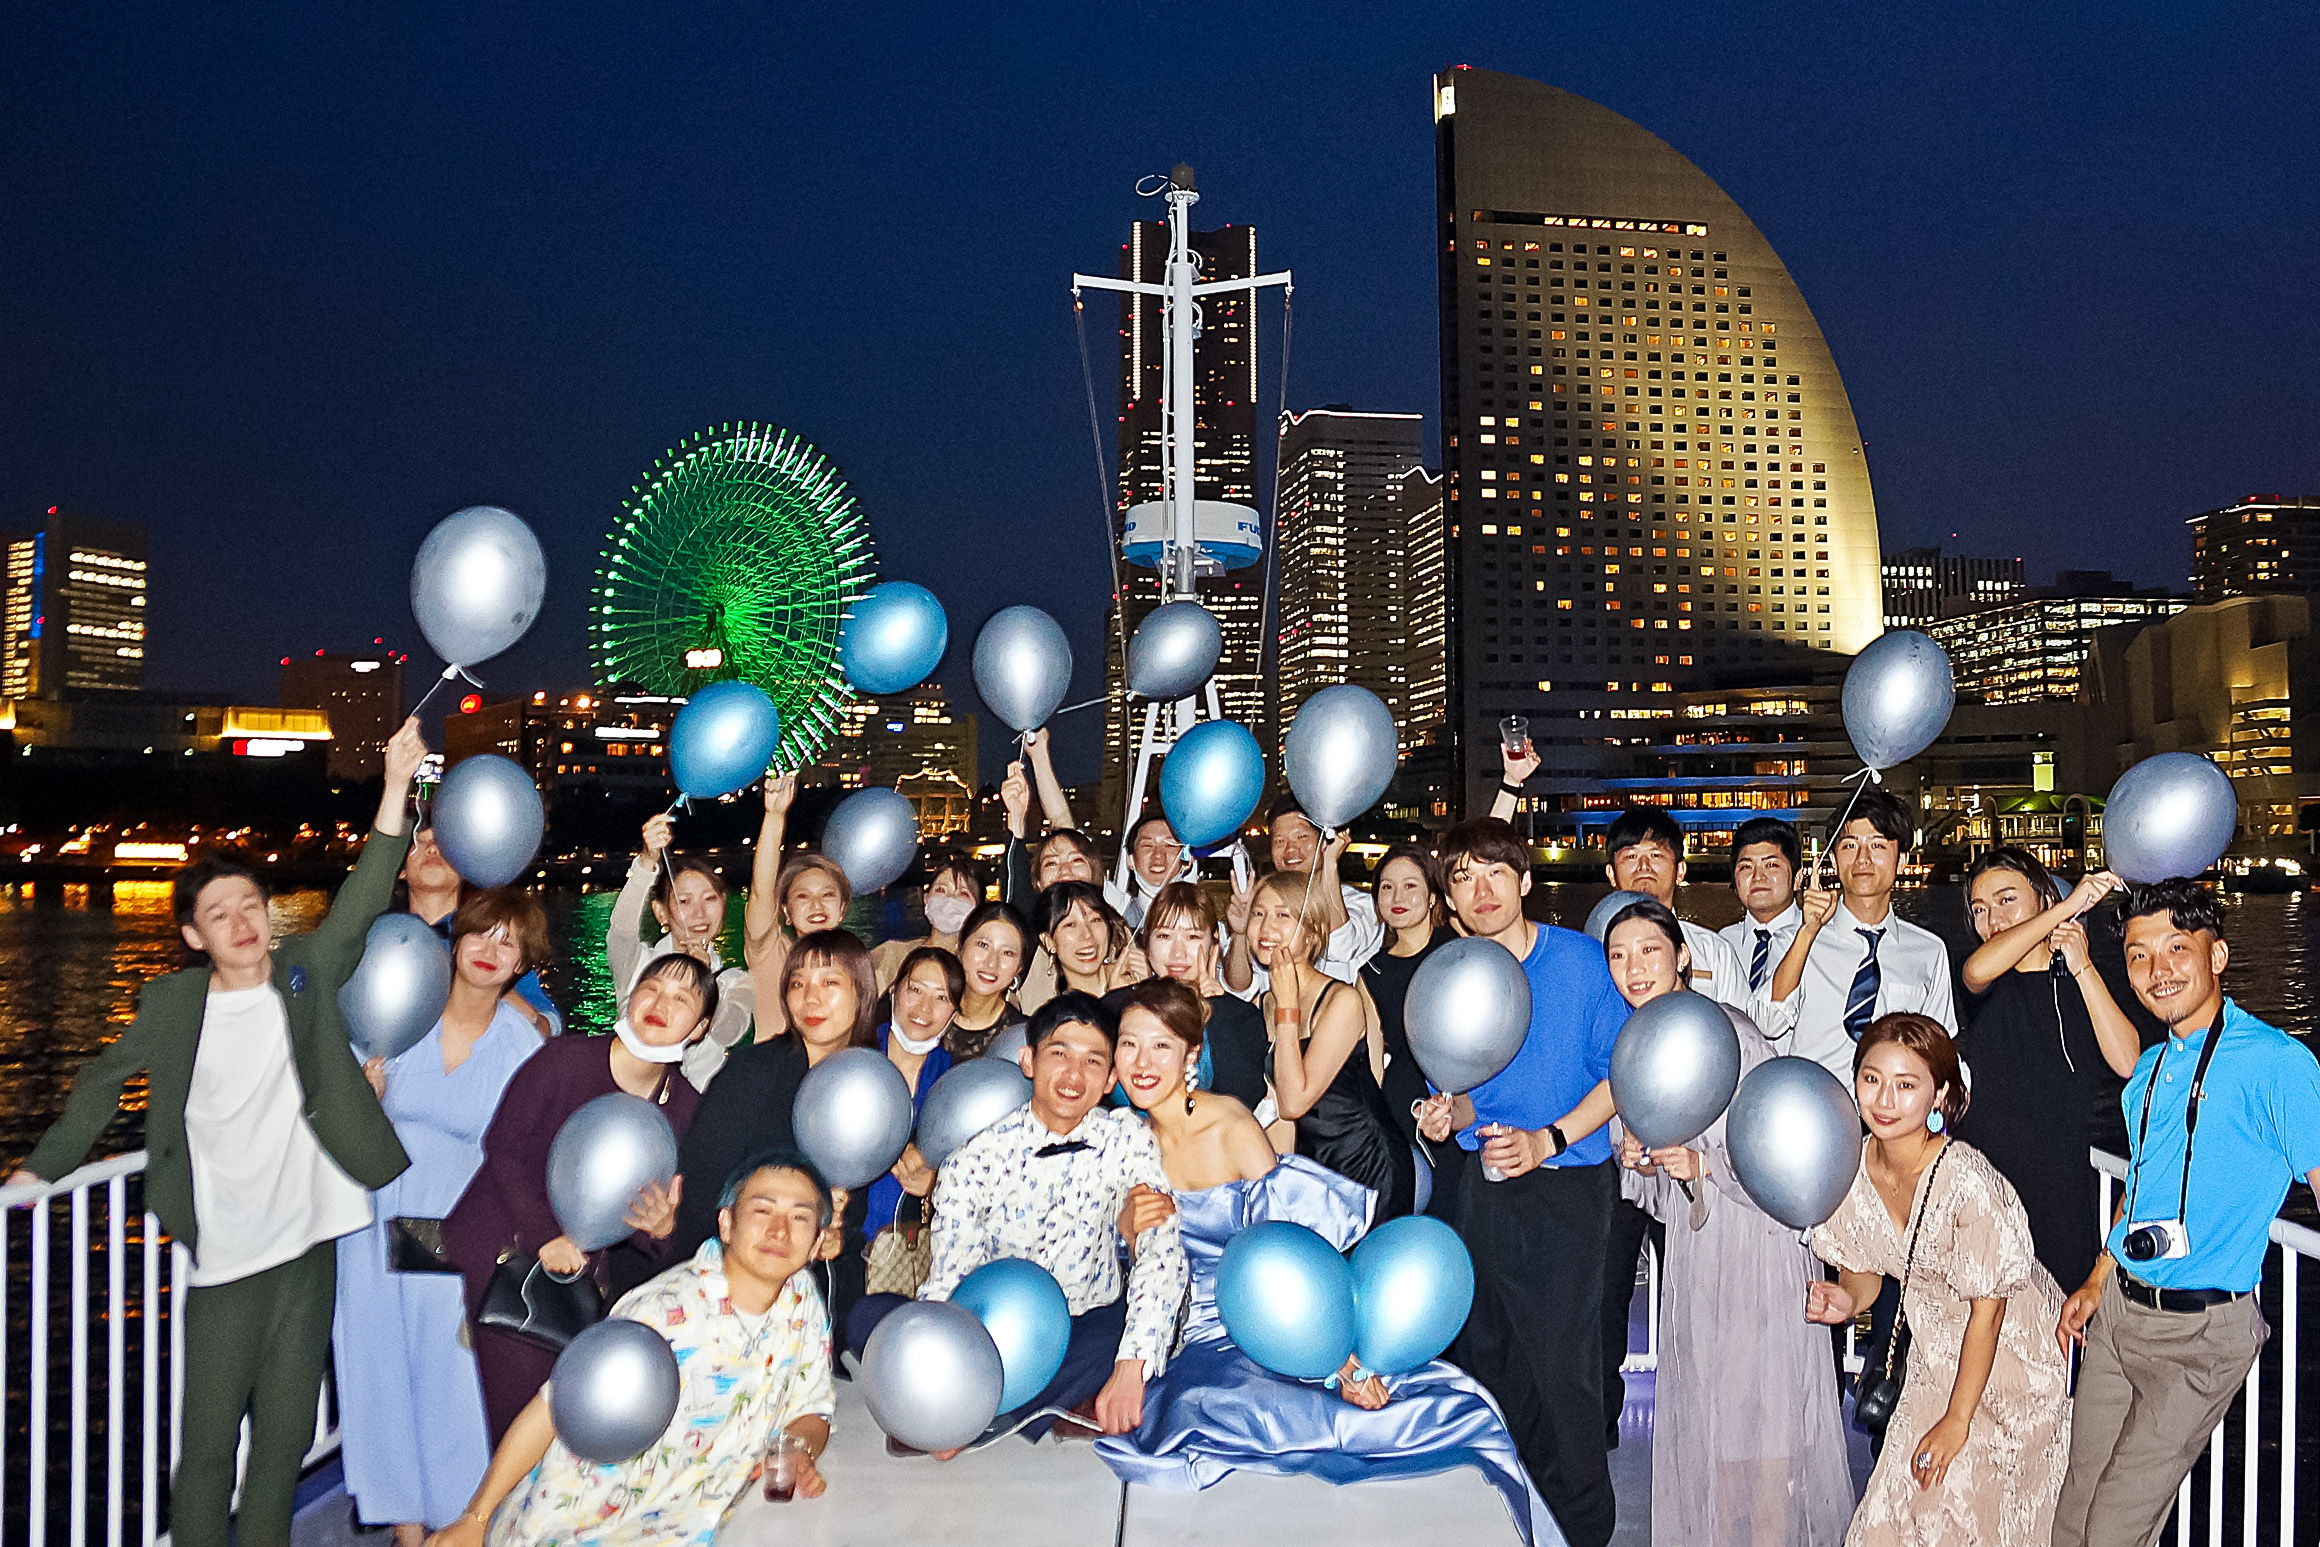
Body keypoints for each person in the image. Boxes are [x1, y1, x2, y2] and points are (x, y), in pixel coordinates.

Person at [9, 718, 428, 1547]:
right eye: (218, 912)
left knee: (278, 1445)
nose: (241, 921)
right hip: (232, 1256)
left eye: (250, 904)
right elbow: (101, 1082)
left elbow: (365, 893)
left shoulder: (305, 970)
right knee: (205, 1452)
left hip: (311, 1245)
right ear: (194, 935)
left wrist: (393, 783)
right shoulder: (172, 1005)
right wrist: (41, 1169)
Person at [1093, 979, 1552, 1546]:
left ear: (1191, 1055)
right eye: (1129, 1044)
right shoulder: (1121, 1139)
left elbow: (1298, 1251)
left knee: (1375, 1418)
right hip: (1186, 1334)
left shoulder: (1230, 1126)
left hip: (1274, 1320)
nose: (1142, 1062)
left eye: (1161, 1046)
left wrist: (1340, 1361)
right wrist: (1123, 1229)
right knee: (1196, 1416)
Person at [2049, 880, 2320, 1547]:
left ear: (2217, 955)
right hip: (2118, 1314)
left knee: (2113, 1527)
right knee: (2075, 1505)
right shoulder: (2148, 1067)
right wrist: (2095, 1278)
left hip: (2201, 1333)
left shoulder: (2278, 1062)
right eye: (2140, 955)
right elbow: (2142, 1183)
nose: (2158, 969)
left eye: (2177, 947)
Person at [425, 1152, 837, 1547]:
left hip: (689, 1532)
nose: (780, 1231)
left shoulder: (801, 1303)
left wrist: (797, 1450)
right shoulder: (662, 1311)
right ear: (726, 1224)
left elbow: (811, 1407)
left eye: (799, 1217)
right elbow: (554, 1406)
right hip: (575, 1530)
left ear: (818, 1239)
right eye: (762, 1211)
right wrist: (475, 1518)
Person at [1602, 899, 1852, 1546]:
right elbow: (1656, 1194)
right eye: (1618, 954)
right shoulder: (1638, 1045)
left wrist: (1704, 1164)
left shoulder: (1731, 1033)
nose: (1634, 967)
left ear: (1682, 955)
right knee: (1713, 1423)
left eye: (1649, 950)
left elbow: (1784, 1156)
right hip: (1699, 1255)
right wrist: (1639, 1158)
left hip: (1759, 1251)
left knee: (1765, 1429)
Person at [849, 992, 1189, 1452]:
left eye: (1092, 1061)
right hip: (992, 1332)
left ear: (1110, 1078)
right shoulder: (975, 1157)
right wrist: (939, 1369)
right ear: (1028, 1061)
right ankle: (1007, 1407)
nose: (1073, 1075)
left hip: (1083, 1322)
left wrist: (1132, 1365)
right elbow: (951, 1271)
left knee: (1131, 1330)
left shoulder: (1126, 1138)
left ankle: (984, 1416)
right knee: (871, 1317)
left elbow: (1160, 1247)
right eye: (1059, 1054)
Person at [1413, 817, 1626, 1547]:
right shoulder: (1452, 974)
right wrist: (1448, 1113)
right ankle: (1515, 1513)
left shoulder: (1582, 961)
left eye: (1495, 872)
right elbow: (1471, 1091)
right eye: (1463, 878)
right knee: (1491, 1351)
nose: (1481, 890)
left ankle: (1585, 1525)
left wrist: (1549, 1138)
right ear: (1450, 900)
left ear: (1526, 881)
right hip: (1487, 1178)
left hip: (1568, 1183)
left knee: (1564, 1363)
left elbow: (1620, 1077)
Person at [334, 889, 550, 1546]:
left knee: (453, 1376)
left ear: (522, 963)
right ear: (454, 943)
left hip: (461, 1226)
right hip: (376, 1216)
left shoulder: (522, 1044)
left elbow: (532, 1148)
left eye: (508, 942)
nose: (490, 950)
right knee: (380, 1370)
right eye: (481, 934)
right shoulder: (400, 1016)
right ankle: (406, 1531)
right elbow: (332, 1108)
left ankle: (462, 1523)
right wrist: (361, 1097)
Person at [1805, 1012, 2071, 1547]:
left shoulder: (1966, 1178)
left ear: (1940, 1095)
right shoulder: (1851, 1169)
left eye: (1907, 1085)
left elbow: (1989, 1310)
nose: (1884, 1099)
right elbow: (1867, 1276)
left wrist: (1957, 1419)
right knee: (1891, 1515)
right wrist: (1844, 1298)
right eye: (1872, 1078)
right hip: (1936, 1356)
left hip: (2013, 1362)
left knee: (1984, 1519)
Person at [440, 954, 711, 1443]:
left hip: (584, 1277)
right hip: (508, 1252)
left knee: (568, 1419)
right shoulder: (566, 1059)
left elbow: (663, 1221)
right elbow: (505, 1147)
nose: (659, 1003)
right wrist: (546, 1235)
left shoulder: (687, 1109)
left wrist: (661, 1230)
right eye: (651, 987)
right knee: (520, 1421)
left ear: (699, 1028)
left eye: (681, 999)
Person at [1588, 806, 1759, 1441]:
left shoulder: (1711, 949)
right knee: (1607, 1287)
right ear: (1611, 870)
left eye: (1656, 855)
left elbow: (1733, 1046)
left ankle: (1709, 1415)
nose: (1642, 867)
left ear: (1679, 870)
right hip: (1626, 1144)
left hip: (1699, 1147)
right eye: (1629, 856)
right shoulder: (1595, 953)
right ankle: (1603, 1418)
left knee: (1699, 1284)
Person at [666, 930, 872, 1331]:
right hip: (732, 1285)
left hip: (819, 1294)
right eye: (798, 984)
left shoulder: (867, 1085)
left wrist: (837, 1233)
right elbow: (702, 1189)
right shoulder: (751, 1074)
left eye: (829, 982)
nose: (810, 998)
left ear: (861, 992)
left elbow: (856, 1195)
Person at [1952, 850, 2140, 1290]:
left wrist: (2083, 966)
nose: (1992, 918)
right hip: (1986, 1186)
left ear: (2042, 897)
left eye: (2006, 900)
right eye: (1979, 909)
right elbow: (1977, 969)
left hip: (2061, 1189)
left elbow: (2127, 1060)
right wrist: (2071, 904)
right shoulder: (1988, 981)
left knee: (2059, 1329)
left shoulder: (2077, 983)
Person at [1251, 869, 1412, 1219]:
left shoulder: (1340, 1000)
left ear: (1313, 934)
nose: (1266, 928)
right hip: (1311, 1165)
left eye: (1283, 915)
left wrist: (1289, 1009)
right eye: (1258, 914)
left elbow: (1295, 1101)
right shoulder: (1263, 1003)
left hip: (1365, 1162)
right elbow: (1277, 1107)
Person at [1766, 789, 1958, 1079]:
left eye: (1878, 846)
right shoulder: (1792, 939)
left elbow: (1939, 1047)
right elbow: (1768, 1022)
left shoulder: (1929, 951)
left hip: (1891, 1115)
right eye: (1850, 846)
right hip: (1811, 1108)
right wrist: (1808, 931)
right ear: (1833, 860)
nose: (1863, 859)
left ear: (1902, 861)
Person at [609, 811, 757, 1089]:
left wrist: (707, 981)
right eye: (684, 901)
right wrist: (648, 860)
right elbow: (621, 931)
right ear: (661, 912)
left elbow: (730, 1032)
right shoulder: (639, 964)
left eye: (710, 898)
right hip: (628, 1097)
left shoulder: (735, 981)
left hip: (698, 1108)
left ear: (724, 905)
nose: (700, 912)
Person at [859, 946, 960, 1293]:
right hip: (839, 1235)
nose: (923, 1008)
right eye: (915, 990)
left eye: (941, 997)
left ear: (955, 1012)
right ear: (894, 990)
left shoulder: (952, 1081)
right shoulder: (854, 1055)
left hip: (905, 1250)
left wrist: (937, 1185)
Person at [397, 824, 560, 1035]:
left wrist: (518, 1009)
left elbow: (550, 1024)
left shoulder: (492, 942)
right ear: (401, 869)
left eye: (444, 843)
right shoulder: (378, 939)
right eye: (420, 842)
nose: (432, 849)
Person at [1222, 797, 1383, 992]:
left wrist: (1330, 862)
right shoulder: (1265, 907)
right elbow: (1238, 986)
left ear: (1324, 840)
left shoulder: (1360, 904)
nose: (1290, 849)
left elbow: (1340, 946)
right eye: (1280, 840)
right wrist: (1240, 932)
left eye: (1301, 837)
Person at [1134, 880, 1267, 1110]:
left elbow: (1244, 1096)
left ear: (1214, 940)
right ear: (1148, 942)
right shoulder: (1122, 1008)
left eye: (1193, 937)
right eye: (1164, 936)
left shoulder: (1240, 1017)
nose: (1177, 952)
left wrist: (1217, 1010)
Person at [740, 772, 855, 1037]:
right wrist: (775, 816)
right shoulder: (771, 956)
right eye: (802, 896)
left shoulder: (858, 966)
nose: (816, 904)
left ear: (842, 909)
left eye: (827, 895)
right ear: (786, 912)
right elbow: (761, 892)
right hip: (778, 1077)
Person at [1360, 843, 1456, 1153]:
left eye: (1410, 886)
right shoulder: (1372, 972)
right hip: (1404, 1106)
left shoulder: (1458, 948)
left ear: (1432, 896)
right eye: (1387, 887)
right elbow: (1375, 1059)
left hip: (1463, 1100)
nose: (1397, 898)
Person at [1025, 880, 1145, 1014]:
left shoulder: (1136, 981)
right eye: (1070, 925)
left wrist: (1147, 990)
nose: (1087, 935)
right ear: (1048, 941)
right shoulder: (1056, 1016)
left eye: (1095, 920)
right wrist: (1117, 998)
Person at [1718, 815, 1804, 998]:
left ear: (1797, 879)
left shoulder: (1819, 940)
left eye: (1771, 865)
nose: (1758, 876)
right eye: (1746, 867)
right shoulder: (1722, 944)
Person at [868, 854, 983, 990]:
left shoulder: (981, 970)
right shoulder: (891, 955)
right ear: (926, 900)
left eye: (963, 894)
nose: (950, 899)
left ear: (979, 908)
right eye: (941, 890)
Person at [946, 899, 1031, 1057]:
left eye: (1008, 953)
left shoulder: (1024, 1038)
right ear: (960, 946)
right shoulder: (926, 1013)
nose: (992, 962)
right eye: (983, 945)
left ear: (1019, 967)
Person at [1107, 809, 1193, 928]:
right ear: (1130, 860)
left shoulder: (1206, 921)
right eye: (1147, 846)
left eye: (1169, 845)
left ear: (1187, 860)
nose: (1158, 855)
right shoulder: (1117, 913)